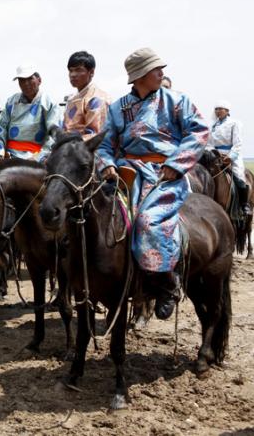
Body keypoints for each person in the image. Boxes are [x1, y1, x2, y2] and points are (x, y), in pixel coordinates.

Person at [98, 47, 209, 320]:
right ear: (140, 76)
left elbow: (200, 131)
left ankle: (166, 283)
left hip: (165, 175)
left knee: (147, 221)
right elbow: (104, 144)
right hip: (126, 174)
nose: (162, 73)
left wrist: (176, 164)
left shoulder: (177, 101)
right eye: (156, 69)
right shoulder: (117, 108)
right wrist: (108, 164)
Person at [0, 66, 62, 161]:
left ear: (39, 80)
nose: (26, 84)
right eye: (22, 80)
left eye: (29, 79)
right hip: (8, 155)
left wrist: (38, 157)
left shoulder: (49, 103)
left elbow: (54, 134)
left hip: (36, 157)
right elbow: (0, 129)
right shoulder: (11, 102)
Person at [208, 100, 251, 215]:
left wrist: (230, 157)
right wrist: (213, 152)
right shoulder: (212, 125)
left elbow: (238, 144)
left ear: (227, 111)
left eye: (220, 109)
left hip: (231, 155)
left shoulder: (235, 123)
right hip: (215, 155)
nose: (218, 111)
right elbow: (209, 142)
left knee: (238, 176)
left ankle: (244, 205)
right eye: (216, 109)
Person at [63, 51, 111, 139]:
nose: (73, 75)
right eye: (71, 70)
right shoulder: (71, 98)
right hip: (68, 146)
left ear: (91, 72)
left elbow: (94, 135)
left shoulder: (97, 98)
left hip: (86, 149)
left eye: (78, 70)